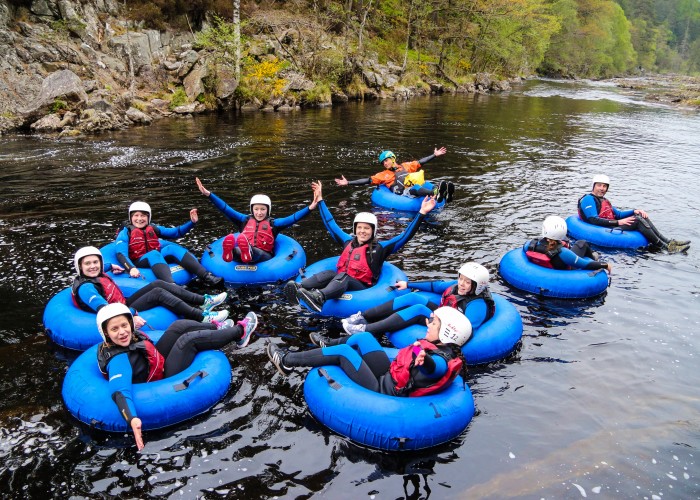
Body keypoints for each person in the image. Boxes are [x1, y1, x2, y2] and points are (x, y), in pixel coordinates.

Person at [96, 303, 258, 450]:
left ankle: (217, 328)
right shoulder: (118, 360)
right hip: (158, 380)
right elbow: (119, 391)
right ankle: (240, 332)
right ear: (106, 333)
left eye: (124, 325)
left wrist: (132, 312)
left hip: (151, 363)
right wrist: (132, 419)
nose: (122, 332)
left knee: (178, 326)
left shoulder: (128, 337)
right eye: (115, 329)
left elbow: (125, 314)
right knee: (187, 341)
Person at [283, 181, 437, 312]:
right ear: (355, 229)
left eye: (366, 228)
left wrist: (422, 212)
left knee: (343, 276)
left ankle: (320, 297)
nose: (362, 231)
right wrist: (321, 200)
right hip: (339, 282)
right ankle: (299, 287)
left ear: (373, 231)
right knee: (330, 273)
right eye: (359, 228)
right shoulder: (348, 242)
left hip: (362, 289)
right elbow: (331, 224)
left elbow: (405, 236)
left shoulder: (380, 248)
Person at [266, 307, 470, 398]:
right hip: (390, 374)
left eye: (434, 323)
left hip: (383, 390)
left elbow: (435, 368)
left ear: (446, 332)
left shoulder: (441, 359)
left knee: (345, 352)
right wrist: (419, 351)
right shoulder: (443, 347)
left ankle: (287, 360)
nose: (428, 323)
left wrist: (425, 361)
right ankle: (328, 345)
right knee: (364, 338)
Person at [72, 246, 230, 327]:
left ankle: (203, 301)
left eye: (95, 262)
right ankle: (202, 317)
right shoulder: (87, 288)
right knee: (159, 293)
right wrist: (131, 314)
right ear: (80, 267)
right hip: (119, 311)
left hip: (121, 304)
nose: (93, 266)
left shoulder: (97, 271)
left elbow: (102, 266)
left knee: (159, 283)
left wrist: (111, 265)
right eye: (87, 264)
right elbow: (105, 310)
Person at [340, 262, 495, 339]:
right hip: (444, 314)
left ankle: (364, 330)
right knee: (414, 297)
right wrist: (408, 284)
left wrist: (438, 323)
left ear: (477, 286)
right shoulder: (457, 287)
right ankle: (363, 317)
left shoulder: (477, 305)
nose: (461, 284)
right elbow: (435, 285)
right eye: (461, 279)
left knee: (419, 309)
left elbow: (466, 333)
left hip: (448, 328)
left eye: (467, 282)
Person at [195, 177, 319, 264]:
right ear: (252, 209)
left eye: (263, 209)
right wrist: (208, 194)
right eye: (256, 209)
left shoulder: (273, 224)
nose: (259, 212)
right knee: (238, 251)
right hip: (244, 253)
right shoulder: (244, 220)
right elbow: (225, 208)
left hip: (263, 256)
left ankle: (246, 251)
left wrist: (310, 207)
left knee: (252, 251)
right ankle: (231, 252)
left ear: (268, 210)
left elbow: (293, 218)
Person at [115, 201, 223, 286]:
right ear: (131, 217)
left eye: (143, 215)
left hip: (155, 257)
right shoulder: (126, 232)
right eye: (136, 215)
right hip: (139, 260)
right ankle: (172, 285)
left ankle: (206, 276)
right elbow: (121, 253)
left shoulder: (153, 228)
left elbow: (176, 232)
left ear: (148, 217)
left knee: (171, 248)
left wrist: (192, 222)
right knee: (154, 254)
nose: (139, 218)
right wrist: (131, 268)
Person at [578, 174, 690, 253]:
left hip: (610, 224)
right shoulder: (588, 199)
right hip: (601, 228)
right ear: (594, 186)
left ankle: (669, 242)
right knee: (637, 220)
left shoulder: (604, 200)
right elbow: (593, 219)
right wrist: (618, 222)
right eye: (599, 185)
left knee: (639, 215)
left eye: (604, 186)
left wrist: (635, 211)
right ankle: (665, 247)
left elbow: (619, 214)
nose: (602, 188)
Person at [334, 147, 455, 203]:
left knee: (426, 184)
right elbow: (367, 180)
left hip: (414, 187)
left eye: (386, 160)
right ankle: (436, 193)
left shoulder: (406, 166)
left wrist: (434, 155)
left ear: (393, 158)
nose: (385, 163)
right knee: (416, 188)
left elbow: (420, 162)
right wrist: (348, 182)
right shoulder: (383, 175)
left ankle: (443, 193)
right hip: (404, 194)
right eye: (383, 162)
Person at [525, 216, 612, 272]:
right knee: (582, 243)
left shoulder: (530, 244)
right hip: (564, 269)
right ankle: (593, 257)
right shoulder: (564, 253)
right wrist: (605, 265)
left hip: (544, 268)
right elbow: (585, 264)